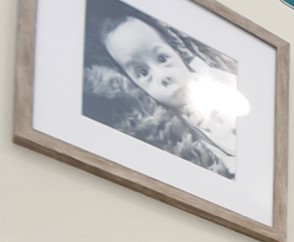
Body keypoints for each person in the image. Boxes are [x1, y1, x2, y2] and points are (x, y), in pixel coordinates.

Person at [98, 9, 242, 159]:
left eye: (162, 59)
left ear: (177, 53)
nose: (163, 76)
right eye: (143, 72)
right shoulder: (179, 127)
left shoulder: (208, 76)